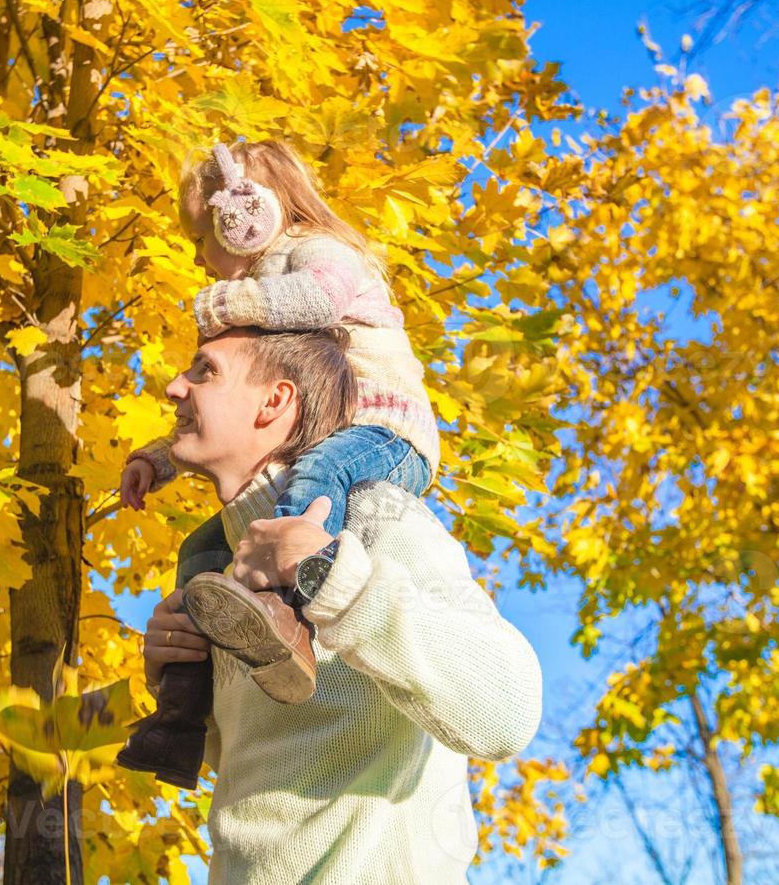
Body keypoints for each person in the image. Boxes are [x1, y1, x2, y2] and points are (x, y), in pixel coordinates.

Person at [127, 326, 543, 883]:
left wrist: (328, 576)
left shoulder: (372, 518)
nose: (175, 388)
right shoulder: (220, 572)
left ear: (274, 401)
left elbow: (506, 712)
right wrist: (170, 679)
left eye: (205, 371)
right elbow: (261, 766)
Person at [120, 138, 440, 707]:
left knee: (318, 474)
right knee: (201, 551)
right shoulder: (270, 295)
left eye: (200, 239)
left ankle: (287, 614)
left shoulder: (319, 250)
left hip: (382, 432)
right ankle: (182, 707)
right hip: (326, 428)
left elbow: (320, 298)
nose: (197, 259)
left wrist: (228, 304)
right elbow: (228, 401)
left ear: (243, 218)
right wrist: (159, 457)